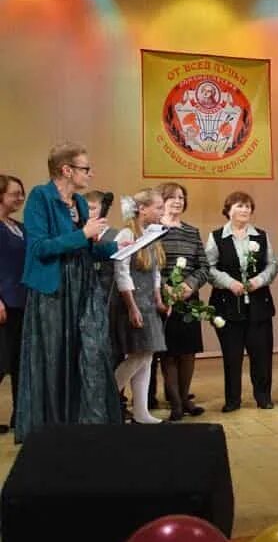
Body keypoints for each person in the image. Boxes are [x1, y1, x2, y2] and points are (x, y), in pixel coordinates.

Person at [16, 142, 122, 443]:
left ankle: (88, 422)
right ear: (66, 170)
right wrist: (82, 234)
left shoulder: (79, 202)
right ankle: (53, 430)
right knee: (55, 357)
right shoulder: (41, 197)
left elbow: (85, 251)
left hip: (84, 287)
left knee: (92, 351)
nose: (90, 173)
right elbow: (39, 248)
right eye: (85, 168)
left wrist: (116, 247)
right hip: (54, 290)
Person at [206, 192, 278, 414]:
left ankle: (263, 396)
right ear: (228, 210)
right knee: (231, 356)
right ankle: (232, 400)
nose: (245, 210)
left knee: (262, 355)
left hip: (258, 305)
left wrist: (259, 280)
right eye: (240, 206)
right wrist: (229, 283)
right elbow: (208, 268)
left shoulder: (261, 236)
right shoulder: (216, 237)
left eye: (248, 206)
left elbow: (272, 265)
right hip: (227, 306)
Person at [112, 189, 168, 425]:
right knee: (139, 354)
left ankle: (141, 411)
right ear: (142, 209)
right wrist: (132, 307)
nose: (162, 212)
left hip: (148, 302)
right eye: (158, 207)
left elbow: (155, 272)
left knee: (147, 355)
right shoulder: (127, 233)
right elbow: (121, 272)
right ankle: (108, 393)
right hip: (133, 302)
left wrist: (158, 299)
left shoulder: (153, 235)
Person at [154, 182, 207, 417]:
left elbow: (203, 266)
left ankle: (185, 399)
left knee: (188, 352)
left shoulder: (192, 232)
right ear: (162, 201)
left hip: (189, 299)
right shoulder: (153, 230)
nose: (178, 201)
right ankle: (174, 403)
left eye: (181, 197)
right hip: (163, 300)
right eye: (172, 197)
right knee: (168, 353)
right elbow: (149, 265)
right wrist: (165, 288)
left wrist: (189, 285)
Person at [0, 175, 26, 433]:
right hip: (4, 303)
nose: (20, 198)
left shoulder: (19, 226)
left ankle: (21, 417)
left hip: (21, 302)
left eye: (21, 193)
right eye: (14, 193)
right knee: (1, 362)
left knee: (20, 362)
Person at [84, 190, 119, 298]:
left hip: (106, 292)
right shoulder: (77, 235)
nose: (87, 212)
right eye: (84, 208)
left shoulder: (116, 235)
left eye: (92, 208)